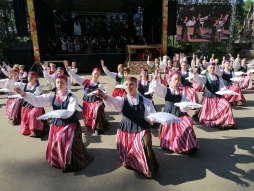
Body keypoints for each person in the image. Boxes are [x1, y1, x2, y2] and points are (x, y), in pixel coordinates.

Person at [14, 75, 94, 172]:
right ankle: (58, 159)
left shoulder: (72, 97)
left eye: (62, 82)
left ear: (66, 84)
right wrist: (23, 94)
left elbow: (70, 111)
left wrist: (59, 114)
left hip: (69, 124)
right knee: (56, 141)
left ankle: (69, 160)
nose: (59, 84)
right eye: (58, 83)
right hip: (57, 123)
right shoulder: (53, 96)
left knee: (64, 140)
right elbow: (38, 100)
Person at [93, 76, 159, 178]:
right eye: (127, 85)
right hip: (125, 128)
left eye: (131, 85)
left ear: (136, 86)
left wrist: (154, 119)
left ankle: (147, 168)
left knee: (143, 144)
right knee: (129, 153)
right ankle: (134, 162)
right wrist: (104, 96)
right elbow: (115, 102)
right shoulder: (122, 99)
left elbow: (150, 115)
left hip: (141, 128)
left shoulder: (145, 100)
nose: (129, 87)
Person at [151, 70, 199, 156]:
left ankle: (189, 145)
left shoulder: (182, 91)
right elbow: (158, 87)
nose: (177, 81)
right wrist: (155, 80)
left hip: (180, 114)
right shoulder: (166, 90)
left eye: (179, 79)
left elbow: (185, 102)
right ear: (170, 80)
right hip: (170, 115)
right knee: (174, 130)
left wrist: (184, 107)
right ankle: (176, 145)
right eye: (175, 79)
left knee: (188, 123)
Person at [64, 61, 110, 135]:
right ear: (92, 74)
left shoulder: (100, 85)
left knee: (96, 108)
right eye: (95, 74)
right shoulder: (86, 81)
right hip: (87, 101)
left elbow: (104, 92)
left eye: (98, 74)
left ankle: (98, 127)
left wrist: (102, 93)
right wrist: (68, 69)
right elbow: (76, 77)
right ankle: (89, 125)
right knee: (88, 112)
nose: (96, 75)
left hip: (96, 101)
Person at [192, 62, 236, 129]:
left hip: (218, 97)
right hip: (209, 98)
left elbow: (222, 87)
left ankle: (228, 122)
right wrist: (195, 74)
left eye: (213, 68)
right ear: (207, 68)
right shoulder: (205, 77)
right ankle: (216, 120)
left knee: (227, 105)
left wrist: (224, 91)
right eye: (210, 68)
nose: (212, 69)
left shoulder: (218, 77)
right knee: (210, 113)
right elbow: (198, 79)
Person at [5, 71, 49, 137]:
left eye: (32, 77)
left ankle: (38, 130)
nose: (29, 78)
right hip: (26, 106)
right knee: (26, 119)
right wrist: (10, 79)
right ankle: (28, 130)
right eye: (29, 76)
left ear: (36, 78)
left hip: (35, 105)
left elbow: (34, 96)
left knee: (33, 117)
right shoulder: (24, 85)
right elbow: (9, 87)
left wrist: (23, 93)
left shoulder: (38, 87)